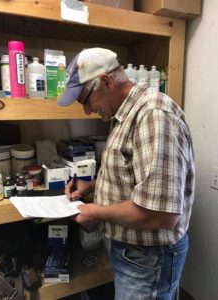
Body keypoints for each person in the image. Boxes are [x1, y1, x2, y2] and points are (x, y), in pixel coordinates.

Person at [58, 48, 195, 300]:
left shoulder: (153, 116)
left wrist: (96, 213)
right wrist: (92, 187)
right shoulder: (124, 114)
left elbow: (162, 214)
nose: (87, 111)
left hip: (149, 256)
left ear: (107, 82)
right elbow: (136, 176)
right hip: (136, 252)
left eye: (86, 100)